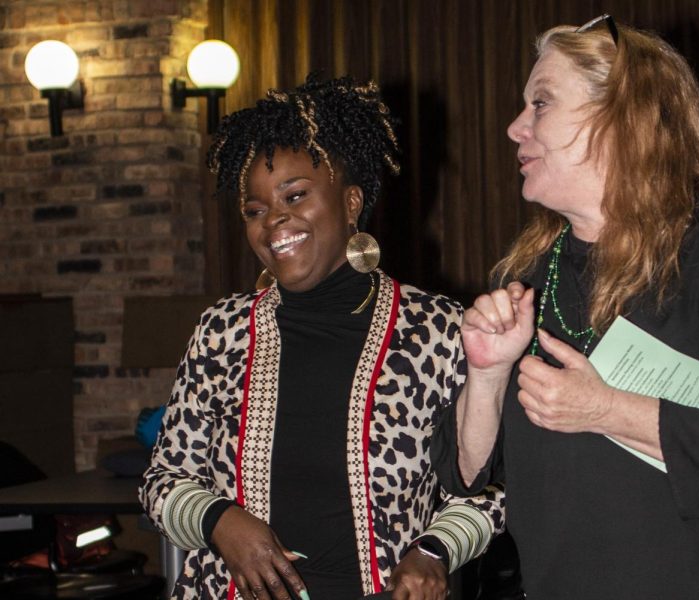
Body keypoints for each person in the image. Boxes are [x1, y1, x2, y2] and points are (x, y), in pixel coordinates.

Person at [431, 15, 699, 599]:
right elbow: (463, 476)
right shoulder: (525, 278)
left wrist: (608, 409)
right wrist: (486, 375)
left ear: (621, 117)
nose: (516, 128)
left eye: (541, 103)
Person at [140, 75, 504, 600]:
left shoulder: (436, 331)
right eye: (255, 209)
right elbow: (162, 481)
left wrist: (434, 550)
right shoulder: (222, 331)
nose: (274, 221)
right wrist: (220, 520)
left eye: (295, 195)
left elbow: (490, 487)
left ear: (351, 203)